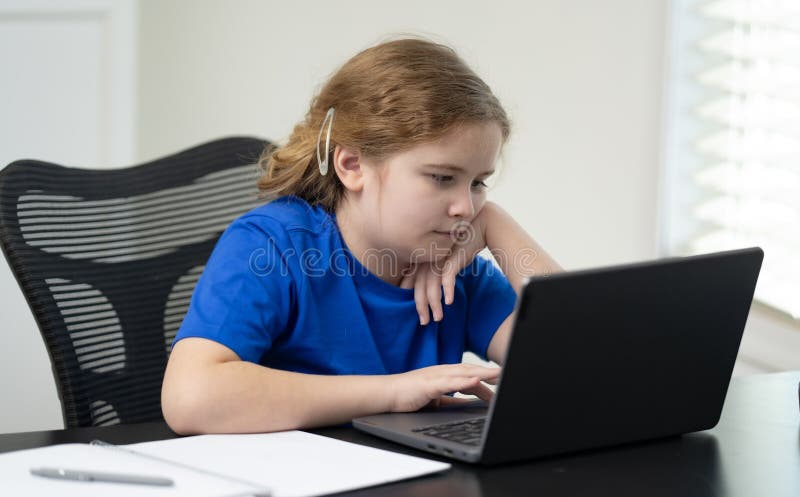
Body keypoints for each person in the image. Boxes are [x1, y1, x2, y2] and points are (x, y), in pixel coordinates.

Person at [162, 37, 561, 435]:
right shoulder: (272, 245)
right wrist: (393, 392)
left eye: (478, 183)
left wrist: (495, 224)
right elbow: (191, 397)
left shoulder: (453, 273)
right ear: (352, 165)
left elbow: (577, 366)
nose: (465, 208)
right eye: (442, 178)